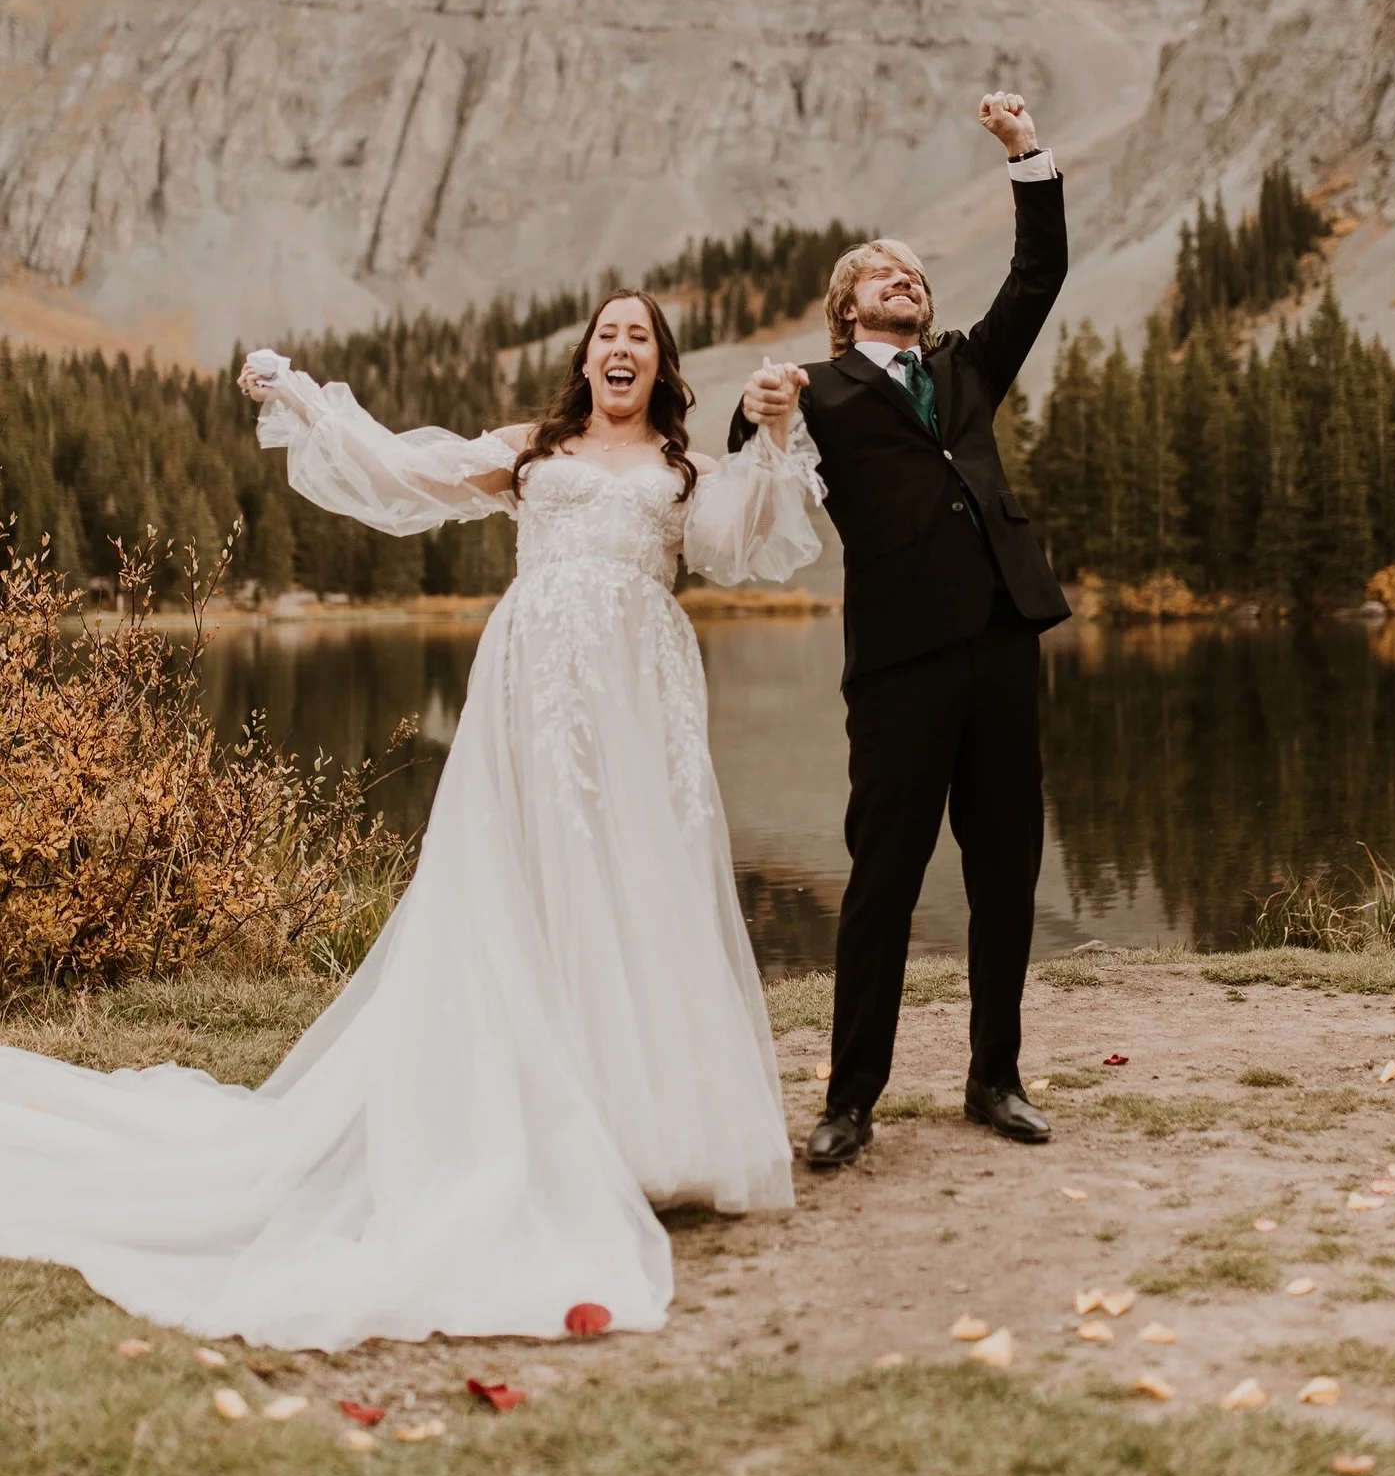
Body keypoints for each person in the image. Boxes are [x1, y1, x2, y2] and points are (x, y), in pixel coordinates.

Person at [0, 291, 823, 1350]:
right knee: (537, 874)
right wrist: (304, 399)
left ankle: (645, 1127)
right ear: (586, 357)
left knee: (642, 879)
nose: (621, 347)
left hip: (645, 693)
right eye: (606, 334)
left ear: (662, 367)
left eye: (641, 338)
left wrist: (780, 432)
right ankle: (536, 1118)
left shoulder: (688, 467)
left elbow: (740, 540)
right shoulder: (535, 448)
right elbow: (401, 474)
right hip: (540, 683)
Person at [731, 92, 1070, 1167]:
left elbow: (1038, 277)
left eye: (916, 274)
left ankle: (995, 1078)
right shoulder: (818, 392)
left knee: (1007, 865)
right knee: (882, 878)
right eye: (884, 275)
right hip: (898, 666)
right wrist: (757, 407)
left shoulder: (968, 368)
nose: (906, 282)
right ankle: (851, 1100)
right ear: (848, 309)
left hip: (1005, 641)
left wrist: (1024, 155)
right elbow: (752, 450)